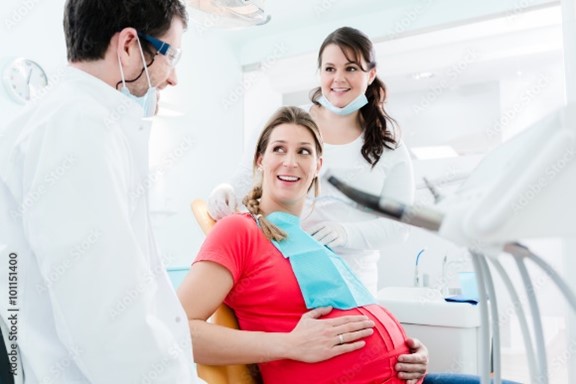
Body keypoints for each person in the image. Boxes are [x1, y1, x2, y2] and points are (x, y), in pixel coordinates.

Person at [0, 1, 204, 382]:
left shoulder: (60, 119)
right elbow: (109, 320)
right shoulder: (79, 127)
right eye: (170, 56)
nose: (172, 78)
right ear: (129, 46)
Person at [178, 106, 426, 384]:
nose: (290, 162)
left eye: (304, 151)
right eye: (279, 149)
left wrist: (406, 348)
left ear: (318, 165)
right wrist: (290, 345)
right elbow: (176, 330)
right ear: (260, 160)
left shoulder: (309, 242)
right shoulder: (240, 229)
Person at [208, 26, 413, 297]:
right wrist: (225, 191)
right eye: (329, 69)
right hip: (283, 269)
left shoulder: (389, 148)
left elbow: (398, 226)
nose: (338, 78)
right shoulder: (289, 122)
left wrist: (346, 233)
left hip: (351, 282)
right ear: (320, 73)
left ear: (371, 74)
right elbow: (249, 174)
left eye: (351, 68)